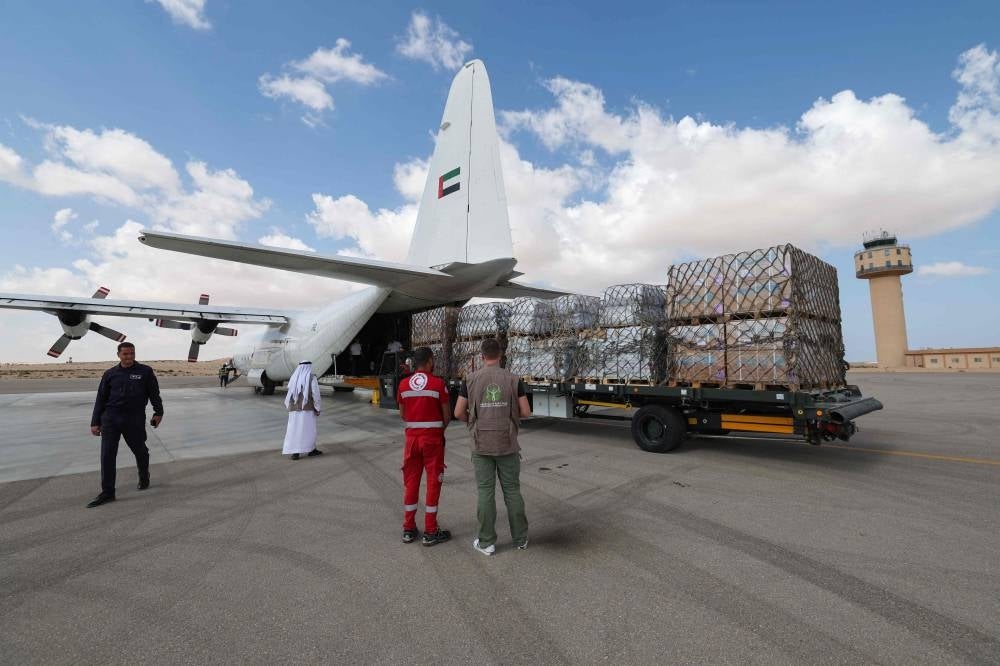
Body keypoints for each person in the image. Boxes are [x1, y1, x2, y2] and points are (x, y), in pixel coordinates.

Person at [454, 338, 531, 555]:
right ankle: (520, 539)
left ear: (482, 356)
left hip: (481, 444)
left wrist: (473, 422)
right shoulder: (514, 379)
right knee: (513, 491)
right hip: (507, 444)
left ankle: (487, 542)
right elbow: (526, 412)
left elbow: (458, 412)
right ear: (501, 355)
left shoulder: (470, 379)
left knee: (485, 492)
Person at [87, 342, 163, 508]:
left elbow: (154, 394)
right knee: (107, 455)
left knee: (140, 451)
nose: (129, 357)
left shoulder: (145, 371)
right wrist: (95, 422)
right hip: (110, 419)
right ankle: (108, 492)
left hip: (133, 418)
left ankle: (144, 476)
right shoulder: (110, 374)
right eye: (126, 354)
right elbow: (101, 398)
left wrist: (158, 413)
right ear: (119, 355)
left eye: (132, 354)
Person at [398, 346, 452, 546]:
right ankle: (430, 530)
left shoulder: (403, 385)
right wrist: (437, 428)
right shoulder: (438, 384)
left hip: (411, 440)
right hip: (432, 440)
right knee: (432, 482)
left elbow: (402, 414)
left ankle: (408, 528)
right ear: (430, 361)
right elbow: (447, 415)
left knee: (411, 482)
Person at [282, 361, 323, 460]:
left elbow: (289, 393)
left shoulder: (294, 377)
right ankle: (311, 450)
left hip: (293, 410)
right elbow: (316, 395)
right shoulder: (311, 378)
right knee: (308, 430)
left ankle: (295, 453)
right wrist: (318, 408)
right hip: (307, 409)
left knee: (294, 430)